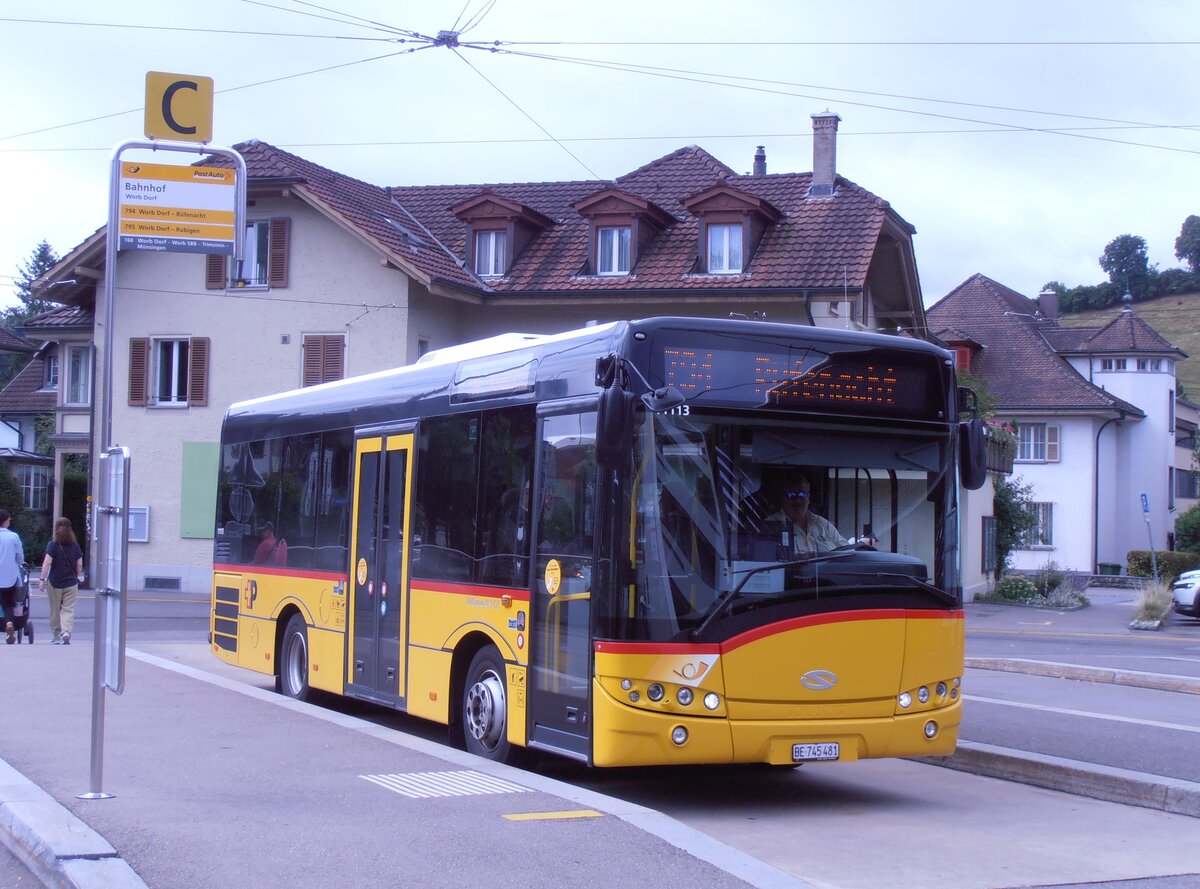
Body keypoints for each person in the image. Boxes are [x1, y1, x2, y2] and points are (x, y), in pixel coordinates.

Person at [770, 473, 848, 554]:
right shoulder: (769, 526)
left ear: (808, 497)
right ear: (782, 498)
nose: (798, 500)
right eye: (792, 495)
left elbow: (846, 551)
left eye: (802, 494)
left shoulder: (823, 524)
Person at [39, 517, 84, 645]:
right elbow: (79, 564)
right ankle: (66, 632)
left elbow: (47, 562)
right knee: (68, 609)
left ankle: (57, 635)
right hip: (71, 583)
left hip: (55, 582)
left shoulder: (52, 545)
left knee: (55, 610)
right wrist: (75, 575)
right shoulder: (75, 546)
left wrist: (42, 579)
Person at [0, 509, 25, 645]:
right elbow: (20, 557)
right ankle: (9, 623)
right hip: (10, 576)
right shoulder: (13, 537)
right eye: (9, 519)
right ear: (5, 521)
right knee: (8, 603)